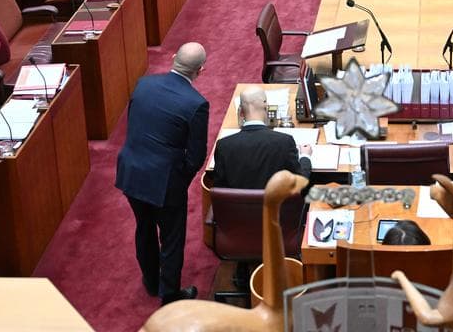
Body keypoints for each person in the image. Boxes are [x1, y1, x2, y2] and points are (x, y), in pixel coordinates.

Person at [115, 42, 209, 305]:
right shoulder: (196, 103)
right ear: (200, 70)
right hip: (165, 182)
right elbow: (196, 156)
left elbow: (134, 125)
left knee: (143, 227)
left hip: (131, 172)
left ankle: (151, 281)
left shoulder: (143, 84)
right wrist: (179, 180)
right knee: (171, 237)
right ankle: (169, 295)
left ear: (173, 58)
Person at [210, 87, 312, 190]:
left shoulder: (223, 145)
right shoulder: (285, 142)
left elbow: (219, 189)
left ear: (241, 112)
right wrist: (305, 157)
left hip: (238, 205)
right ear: (266, 108)